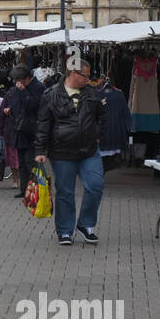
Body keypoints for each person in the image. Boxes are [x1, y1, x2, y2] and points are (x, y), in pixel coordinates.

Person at [35, 59, 107, 246]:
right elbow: (43, 123)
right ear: (73, 73)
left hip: (89, 149)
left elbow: (101, 117)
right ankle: (65, 231)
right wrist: (40, 150)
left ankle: (85, 224)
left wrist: (97, 134)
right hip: (61, 151)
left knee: (95, 185)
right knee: (65, 192)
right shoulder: (50, 94)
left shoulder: (92, 94)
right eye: (86, 76)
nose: (89, 80)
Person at [8, 64, 44, 198]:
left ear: (26, 78)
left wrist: (24, 92)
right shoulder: (18, 88)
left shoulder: (38, 87)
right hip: (19, 129)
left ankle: (37, 190)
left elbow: (35, 105)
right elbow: (16, 104)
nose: (17, 82)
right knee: (22, 163)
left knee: (31, 162)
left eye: (19, 79)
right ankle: (25, 190)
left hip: (32, 130)